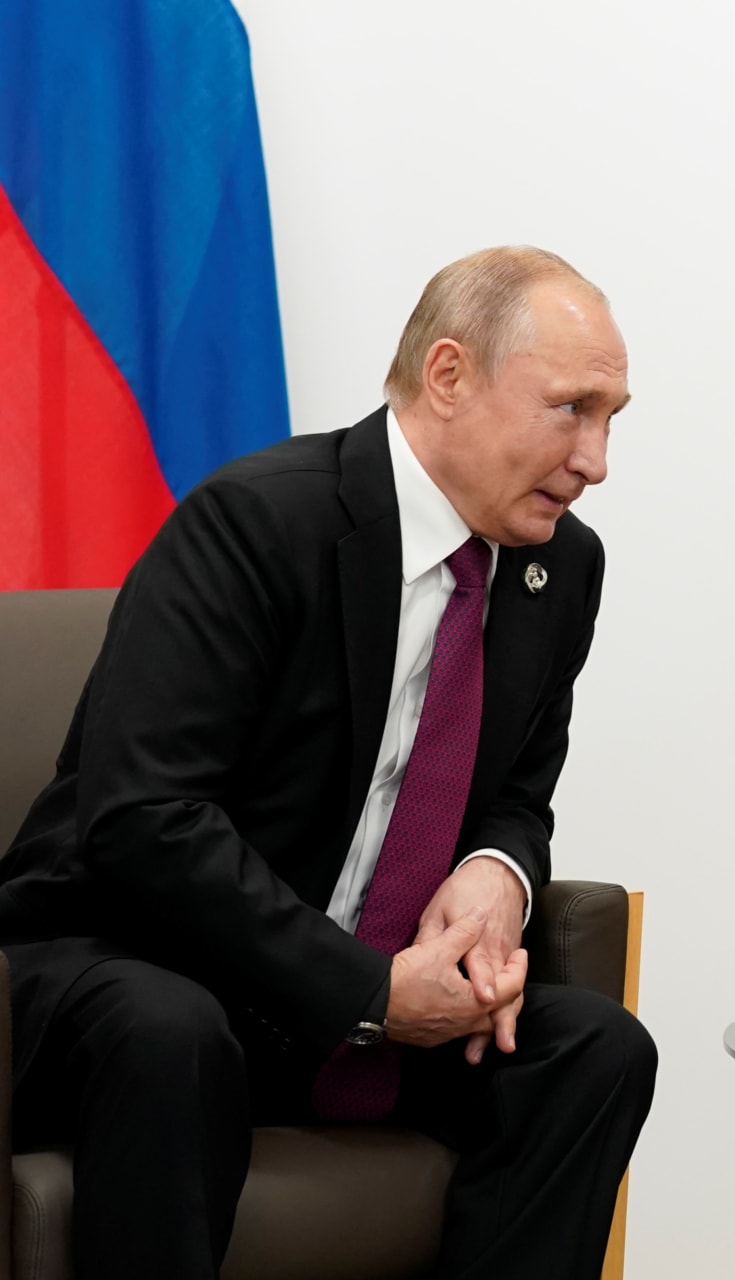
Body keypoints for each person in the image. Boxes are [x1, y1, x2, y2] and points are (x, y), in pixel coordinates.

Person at [1, 245, 655, 1279]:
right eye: (572, 408)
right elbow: (143, 819)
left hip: (356, 997)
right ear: (449, 377)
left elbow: (519, 793)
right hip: (134, 966)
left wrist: (499, 871)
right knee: (170, 1027)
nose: (598, 457)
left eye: (614, 416)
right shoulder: (257, 521)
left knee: (595, 1048)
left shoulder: (559, 568)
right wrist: (365, 989)